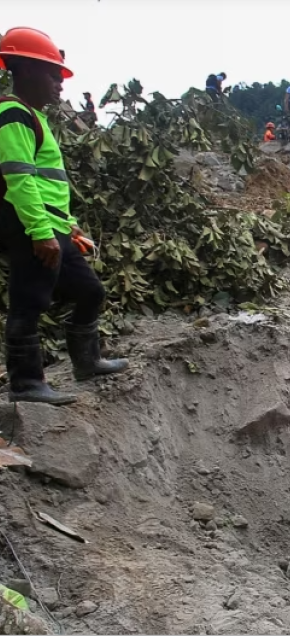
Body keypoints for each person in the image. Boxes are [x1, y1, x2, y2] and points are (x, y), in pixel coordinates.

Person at [0, 27, 128, 405]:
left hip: (52, 224)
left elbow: (46, 181)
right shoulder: (13, 115)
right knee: (29, 298)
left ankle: (87, 361)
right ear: (24, 70)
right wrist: (40, 231)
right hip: (28, 224)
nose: (59, 83)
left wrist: (68, 227)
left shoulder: (32, 117)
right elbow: (19, 178)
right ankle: (25, 383)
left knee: (90, 290)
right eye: (53, 74)